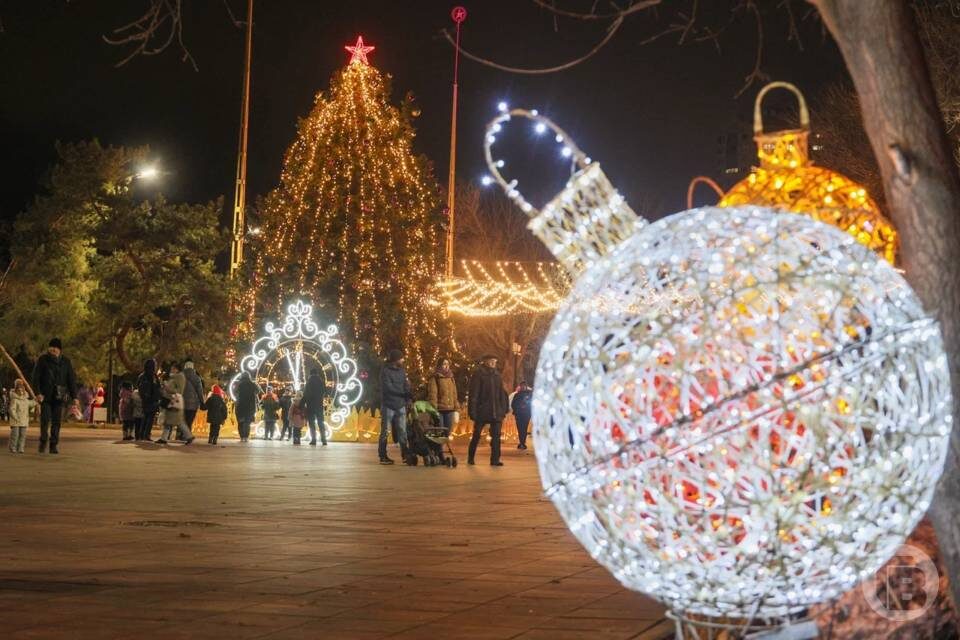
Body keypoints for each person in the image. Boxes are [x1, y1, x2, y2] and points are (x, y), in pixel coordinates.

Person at [31, 338, 78, 454]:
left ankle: (53, 444)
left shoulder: (66, 362)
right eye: (51, 347)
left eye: (56, 347)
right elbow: (35, 377)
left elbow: (71, 380)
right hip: (45, 396)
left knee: (57, 422)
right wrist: (38, 393)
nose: (53, 349)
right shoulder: (42, 360)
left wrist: (75, 396)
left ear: (60, 350)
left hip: (59, 396)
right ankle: (43, 441)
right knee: (45, 420)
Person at [467, 355, 509, 466]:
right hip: (483, 410)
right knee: (476, 435)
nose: (493, 363)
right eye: (491, 361)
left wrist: (504, 408)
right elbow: (474, 394)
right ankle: (471, 457)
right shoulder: (479, 374)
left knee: (496, 437)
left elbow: (502, 393)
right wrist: (473, 410)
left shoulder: (497, 375)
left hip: (497, 412)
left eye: (494, 361)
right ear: (485, 361)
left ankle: (495, 460)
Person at [379, 349, 411, 465]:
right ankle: (382, 455)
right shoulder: (385, 371)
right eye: (401, 358)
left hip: (400, 405)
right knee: (385, 431)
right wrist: (403, 393)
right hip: (388, 405)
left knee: (403, 431)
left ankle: (405, 455)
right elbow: (388, 388)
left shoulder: (402, 371)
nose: (403, 360)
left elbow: (406, 385)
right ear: (396, 359)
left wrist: (408, 396)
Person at [157, 373, 193, 445]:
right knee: (171, 423)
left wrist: (165, 387)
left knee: (178, 423)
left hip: (172, 404)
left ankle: (189, 436)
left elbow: (171, 392)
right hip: (173, 404)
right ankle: (164, 438)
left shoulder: (169, 383)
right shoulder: (172, 382)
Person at [427, 357, 459, 432]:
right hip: (439, 409)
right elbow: (433, 394)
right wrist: (433, 409)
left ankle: (443, 443)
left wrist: (457, 409)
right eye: (444, 364)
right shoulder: (435, 377)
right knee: (439, 431)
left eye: (448, 364)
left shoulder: (451, 377)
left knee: (448, 431)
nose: (446, 366)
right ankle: (440, 444)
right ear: (439, 365)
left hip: (450, 409)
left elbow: (454, 394)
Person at [301, 368, 328, 446]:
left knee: (312, 423)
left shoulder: (309, 382)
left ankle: (314, 439)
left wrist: (301, 404)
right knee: (321, 423)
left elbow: (306, 394)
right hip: (319, 405)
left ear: (310, 374)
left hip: (311, 405)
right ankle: (324, 440)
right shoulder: (321, 382)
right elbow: (325, 392)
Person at [136, 359, 161, 441]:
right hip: (152, 400)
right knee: (150, 418)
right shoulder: (153, 375)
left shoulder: (141, 375)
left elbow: (138, 386)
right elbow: (157, 387)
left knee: (145, 417)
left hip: (144, 399)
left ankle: (141, 434)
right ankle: (146, 434)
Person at [7, 379, 34, 454]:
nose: (21, 391)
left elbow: (30, 403)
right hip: (16, 421)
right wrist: (16, 417)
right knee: (15, 435)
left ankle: (21, 448)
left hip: (24, 421)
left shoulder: (25, 400)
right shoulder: (14, 400)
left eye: (22, 389)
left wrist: (36, 400)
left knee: (22, 435)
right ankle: (13, 447)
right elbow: (12, 410)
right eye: (19, 390)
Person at [235, 371, 260, 443]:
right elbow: (258, 391)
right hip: (250, 406)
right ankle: (246, 437)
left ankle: (242, 437)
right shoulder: (252, 384)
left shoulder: (239, 384)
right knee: (247, 422)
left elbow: (235, 392)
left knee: (240, 422)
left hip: (240, 406)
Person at [181, 360, 206, 434]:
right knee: (189, 420)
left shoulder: (181, 376)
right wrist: (202, 401)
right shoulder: (196, 377)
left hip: (182, 401)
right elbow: (199, 391)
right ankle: (187, 434)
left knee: (182, 419)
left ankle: (180, 435)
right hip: (193, 403)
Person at [511, 381, 534, 450]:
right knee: (520, 428)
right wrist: (518, 408)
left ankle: (522, 443)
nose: (523, 387)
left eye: (524, 386)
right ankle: (522, 442)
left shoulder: (530, 394)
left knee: (524, 428)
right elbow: (513, 404)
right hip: (519, 414)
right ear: (520, 387)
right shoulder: (517, 395)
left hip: (526, 414)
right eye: (522, 386)